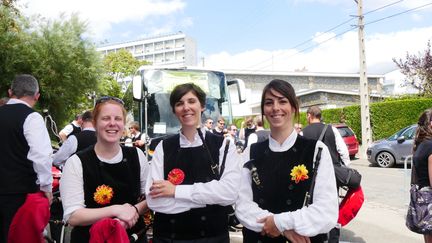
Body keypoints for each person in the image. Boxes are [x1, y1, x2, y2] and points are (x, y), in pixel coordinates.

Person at [235, 79, 338, 243]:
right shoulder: (251, 152)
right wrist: (282, 229)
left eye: (282, 101)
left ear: (294, 107)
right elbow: (242, 206)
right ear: (263, 109)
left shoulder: (316, 150)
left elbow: (327, 211)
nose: (275, 108)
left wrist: (280, 223)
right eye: (269, 103)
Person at [145, 83, 241, 243]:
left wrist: (175, 191)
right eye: (179, 103)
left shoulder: (224, 145)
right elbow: (154, 200)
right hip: (169, 238)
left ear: (202, 106)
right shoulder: (163, 147)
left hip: (213, 238)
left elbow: (230, 193)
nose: (186, 107)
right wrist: (210, 198)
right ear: (174, 110)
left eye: (191, 101)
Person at [60, 96, 149, 243]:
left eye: (118, 119)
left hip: (133, 237)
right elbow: (73, 216)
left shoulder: (137, 156)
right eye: (106, 118)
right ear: (95, 123)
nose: (112, 123)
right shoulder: (77, 162)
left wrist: (134, 210)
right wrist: (116, 210)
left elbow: (151, 197)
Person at [0, 74, 53, 243]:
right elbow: (42, 156)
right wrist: (46, 186)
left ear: (10, 92)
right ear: (36, 96)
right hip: (19, 194)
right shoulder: (32, 117)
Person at [302, 106, 350, 242]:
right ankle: (333, 237)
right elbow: (343, 151)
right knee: (332, 205)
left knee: (312, 205)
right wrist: (344, 169)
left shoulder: (302, 133)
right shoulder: (332, 129)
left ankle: (316, 236)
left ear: (309, 115)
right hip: (332, 175)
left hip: (311, 178)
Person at [412, 109, 432, 243]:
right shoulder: (430, 146)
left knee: (428, 235)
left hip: (422, 199)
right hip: (430, 199)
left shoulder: (420, 144)